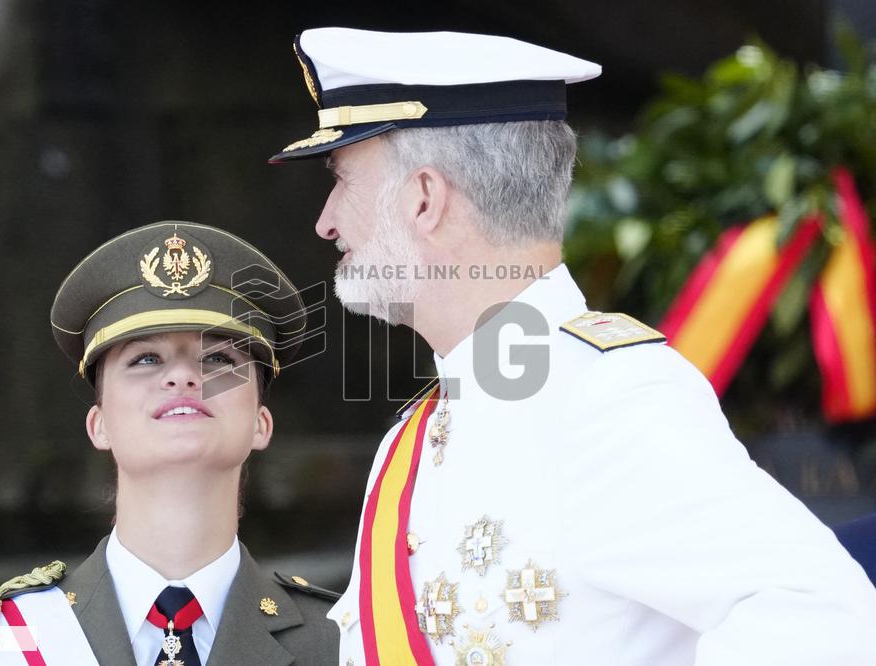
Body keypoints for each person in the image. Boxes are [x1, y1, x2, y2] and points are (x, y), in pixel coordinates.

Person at [270, 28, 876, 665]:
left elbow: (824, 618)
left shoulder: (607, 401)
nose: (326, 220)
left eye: (341, 180)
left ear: (424, 198)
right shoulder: (418, 434)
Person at [0, 221, 338, 665]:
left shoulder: (343, 642)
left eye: (219, 358)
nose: (182, 376)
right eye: (146, 358)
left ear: (262, 422)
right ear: (98, 423)